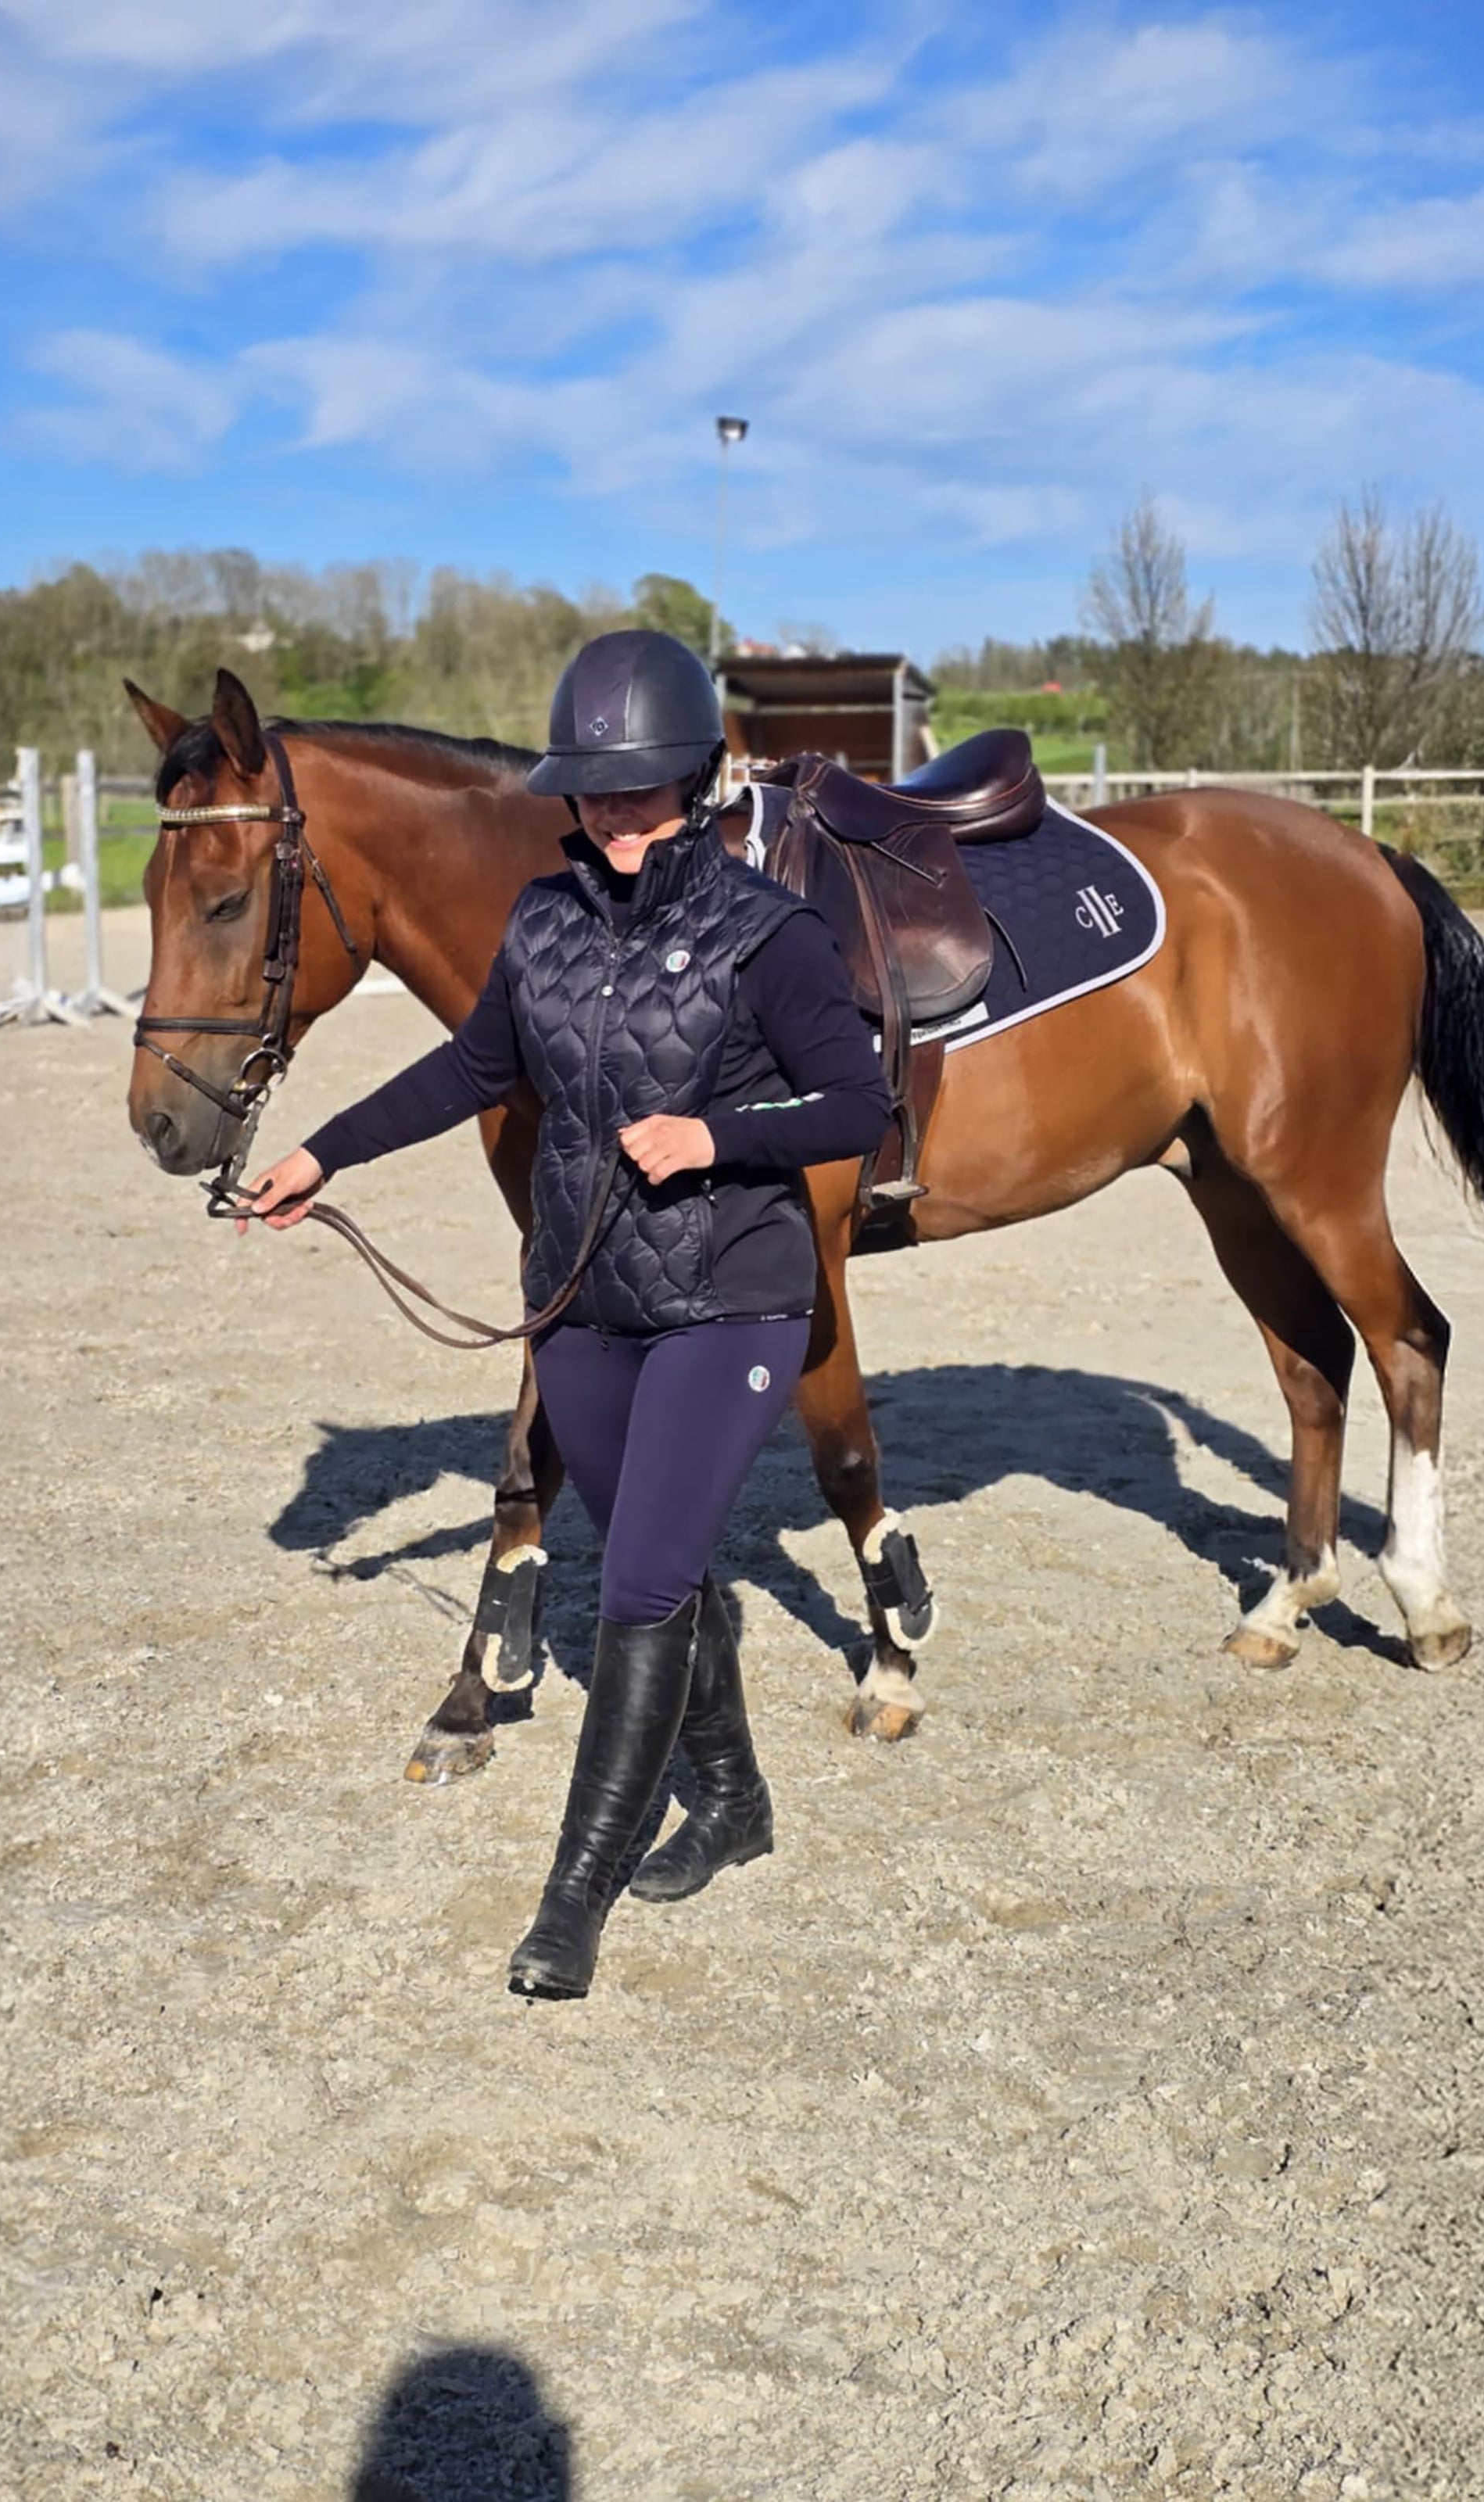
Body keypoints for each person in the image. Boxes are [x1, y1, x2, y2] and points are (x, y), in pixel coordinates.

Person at [237, 629, 890, 1998]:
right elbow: (473, 1063)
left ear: (699, 781)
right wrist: (325, 1152)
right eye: (593, 791)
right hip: (583, 1304)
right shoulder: (541, 921)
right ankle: (735, 1802)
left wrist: (717, 1138)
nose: (616, 814)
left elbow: (857, 1104)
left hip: (731, 1303)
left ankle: (572, 1895)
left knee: (639, 1584)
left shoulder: (773, 935)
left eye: (642, 789)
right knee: (662, 1560)